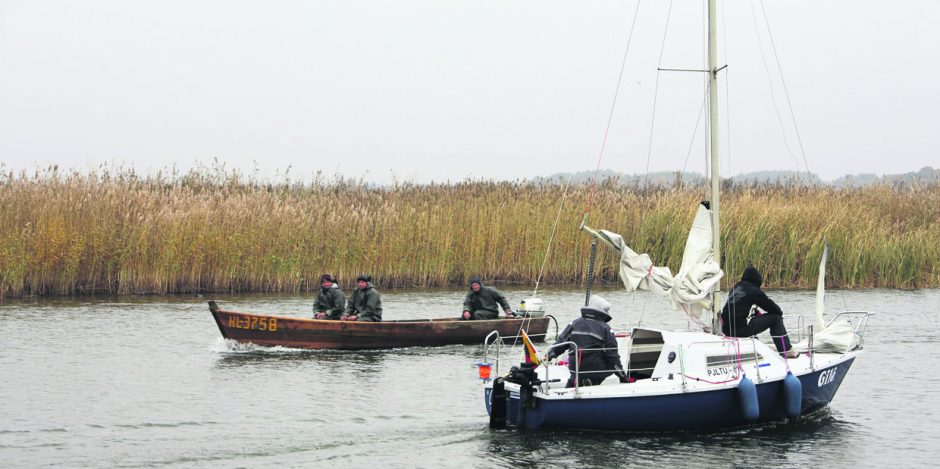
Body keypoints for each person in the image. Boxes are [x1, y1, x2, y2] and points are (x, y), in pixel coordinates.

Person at [546, 295, 629, 387]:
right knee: (611, 365)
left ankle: (572, 386)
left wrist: (549, 355)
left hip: (575, 368)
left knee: (576, 374)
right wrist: (623, 377)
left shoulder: (574, 323)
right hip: (595, 369)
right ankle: (593, 381)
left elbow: (560, 344)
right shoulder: (606, 329)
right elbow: (612, 357)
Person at [720, 265, 798, 358]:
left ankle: (755, 346)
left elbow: (741, 309)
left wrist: (756, 314)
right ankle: (786, 350)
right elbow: (771, 307)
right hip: (740, 330)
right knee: (776, 318)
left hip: (726, 330)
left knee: (750, 319)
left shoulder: (736, 288)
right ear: (757, 280)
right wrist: (780, 313)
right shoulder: (753, 290)